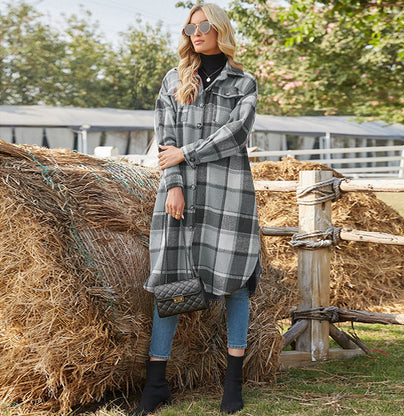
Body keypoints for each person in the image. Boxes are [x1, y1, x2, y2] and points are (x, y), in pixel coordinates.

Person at [131, 3, 262, 415]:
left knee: (236, 282)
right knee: (170, 279)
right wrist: (173, 184)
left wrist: (186, 154)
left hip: (230, 194)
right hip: (179, 194)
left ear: (219, 29)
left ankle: (233, 384)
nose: (196, 32)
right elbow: (164, 142)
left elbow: (235, 134)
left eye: (204, 25)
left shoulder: (243, 82)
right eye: (190, 26)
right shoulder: (174, 79)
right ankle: (156, 386)